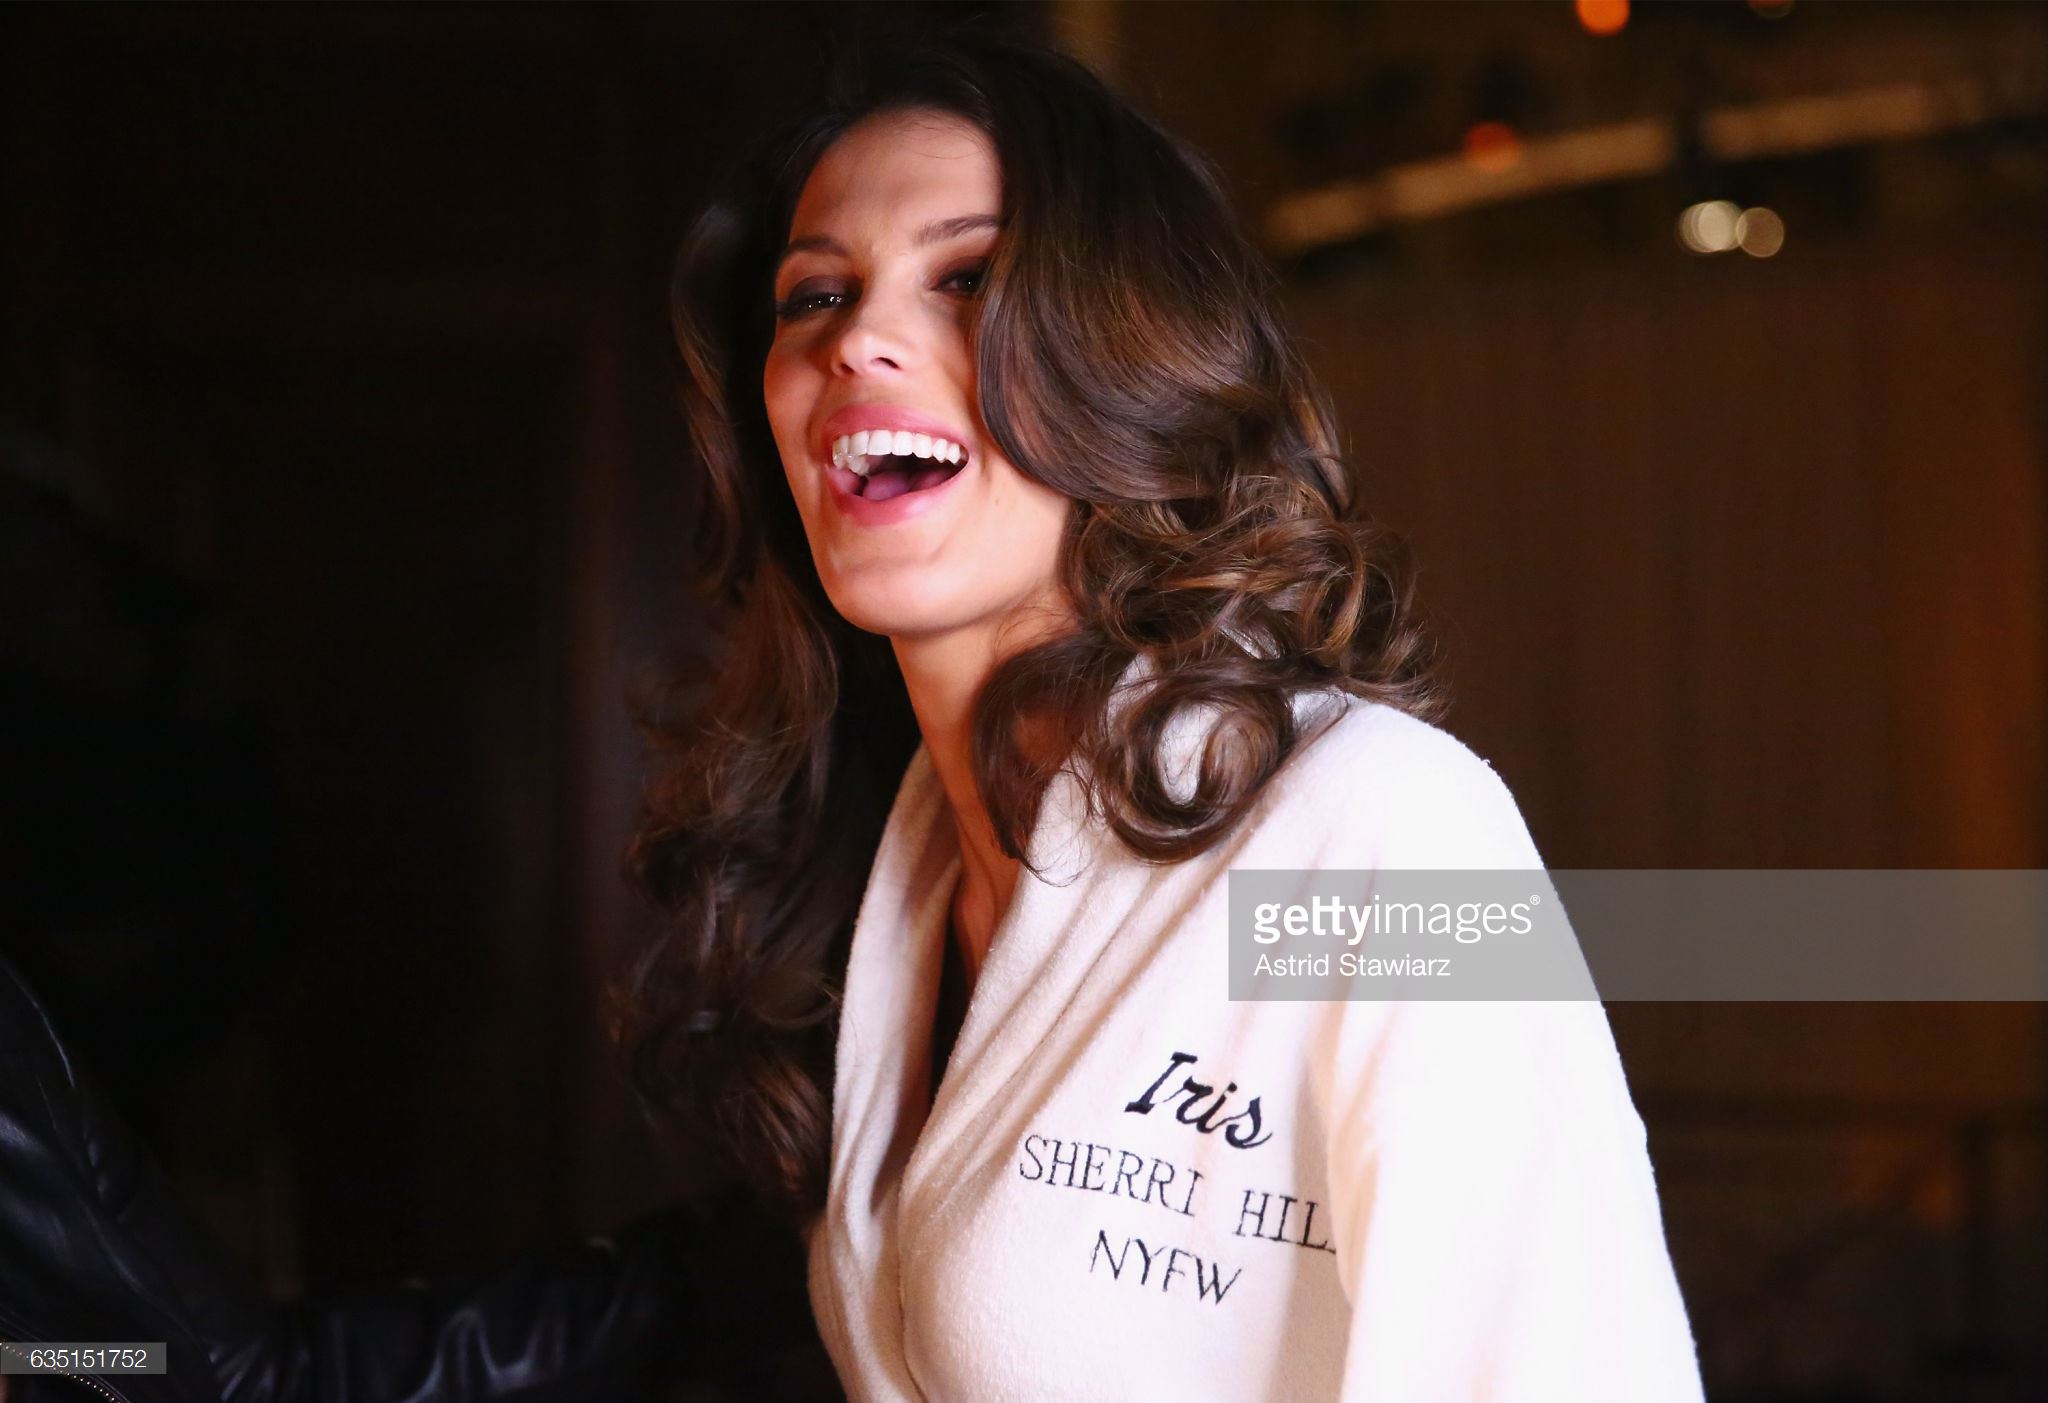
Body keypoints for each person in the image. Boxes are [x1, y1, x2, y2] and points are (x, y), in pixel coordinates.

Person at [622, 27, 1706, 1402]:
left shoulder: (1394, 828)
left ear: (1128, 356)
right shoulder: (897, 869)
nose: (856, 341)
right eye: (815, 296)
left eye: (969, 276)